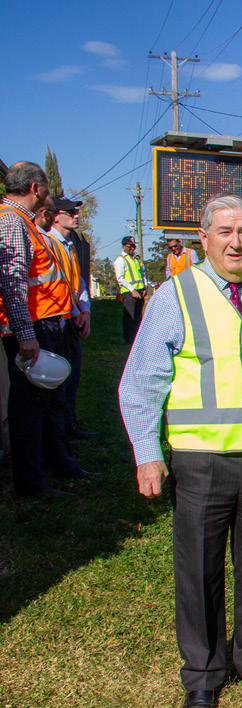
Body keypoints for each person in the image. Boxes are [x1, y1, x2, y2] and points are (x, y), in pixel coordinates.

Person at [118, 194, 242, 708]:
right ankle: (202, 676)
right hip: (201, 462)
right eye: (224, 232)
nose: (236, 242)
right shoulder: (176, 296)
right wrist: (148, 455)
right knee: (198, 571)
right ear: (204, 238)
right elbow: (142, 382)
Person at [0, 162, 87, 498]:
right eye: (47, 188)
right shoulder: (10, 221)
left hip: (44, 323)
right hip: (31, 327)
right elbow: (12, 282)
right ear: (36, 188)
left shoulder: (21, 221)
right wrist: (25, 335)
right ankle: (30, 482)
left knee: (45, 401)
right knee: (29, 407)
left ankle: (54, 465)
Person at [46, 196, 96, 439]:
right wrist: (78, 313)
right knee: (61, 379)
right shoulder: (49, 243)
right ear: (55, 216)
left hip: (72, 317)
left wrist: (85, 310)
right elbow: (61, 284)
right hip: (58, 320)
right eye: (70, 211)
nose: (76, 215)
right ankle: (62, 432)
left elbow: (79, 281)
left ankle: (70, 426)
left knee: (73, 376)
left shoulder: (68, 245)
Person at [114, 235, 146, 344]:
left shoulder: (136, 260)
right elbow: (120, 278)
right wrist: (132, 289)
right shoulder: (120, 260)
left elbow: (142, 274)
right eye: (129, 246)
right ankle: (129, 340)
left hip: (139, 291)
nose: (132, 248)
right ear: (124, 246)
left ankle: (137, 339)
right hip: (129, 292)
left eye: (133, 246)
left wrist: (144, 286)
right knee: (130, 317)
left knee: (138, 317)